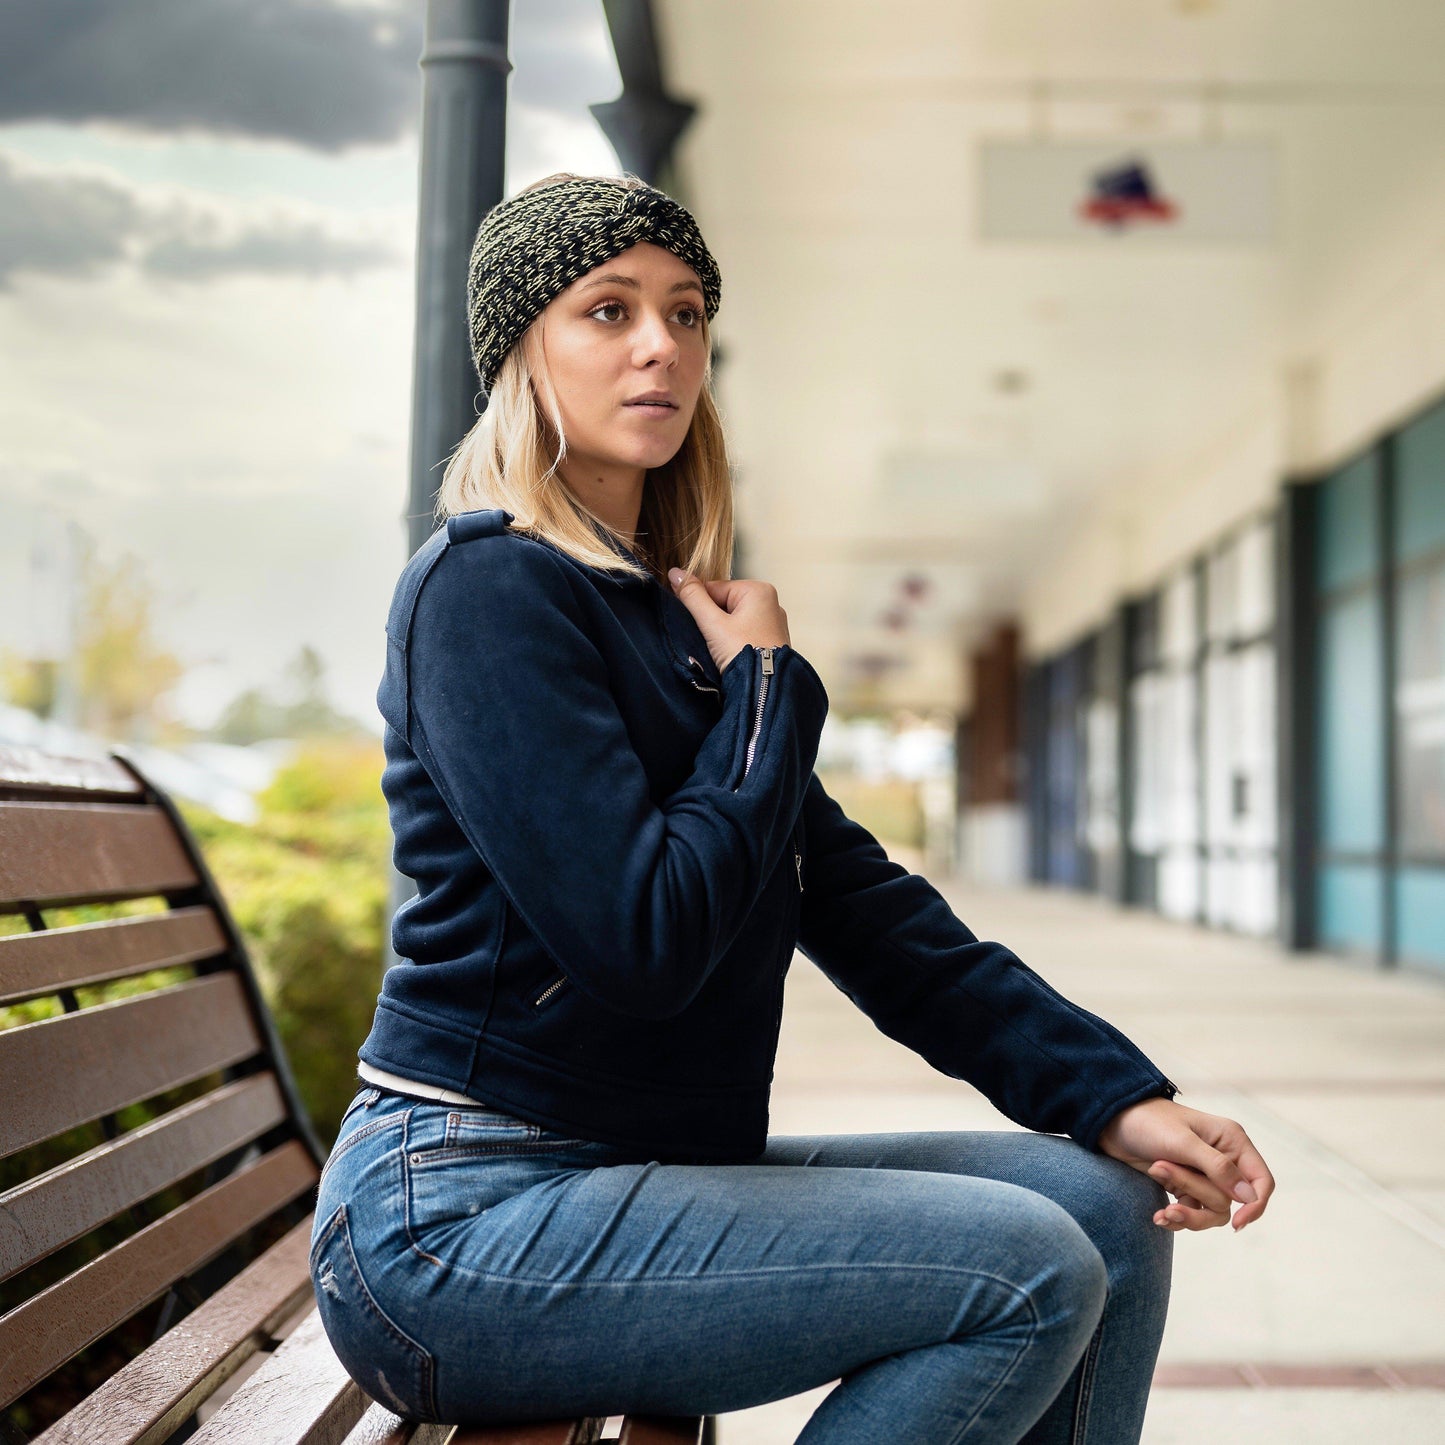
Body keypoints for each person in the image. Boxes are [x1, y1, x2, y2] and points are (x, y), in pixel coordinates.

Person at [310, 171, 1276, 1444]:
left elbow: (872, 915)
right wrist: (765, 688)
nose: (661, 343)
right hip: (458, 1219)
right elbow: (639, 942)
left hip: (629, 1173)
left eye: (686, 310)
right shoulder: (485, 594)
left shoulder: (674, 630)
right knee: (1022, 1270)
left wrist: (1113, 1096)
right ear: (519, 351)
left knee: (1101, 1206)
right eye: (607, 310)